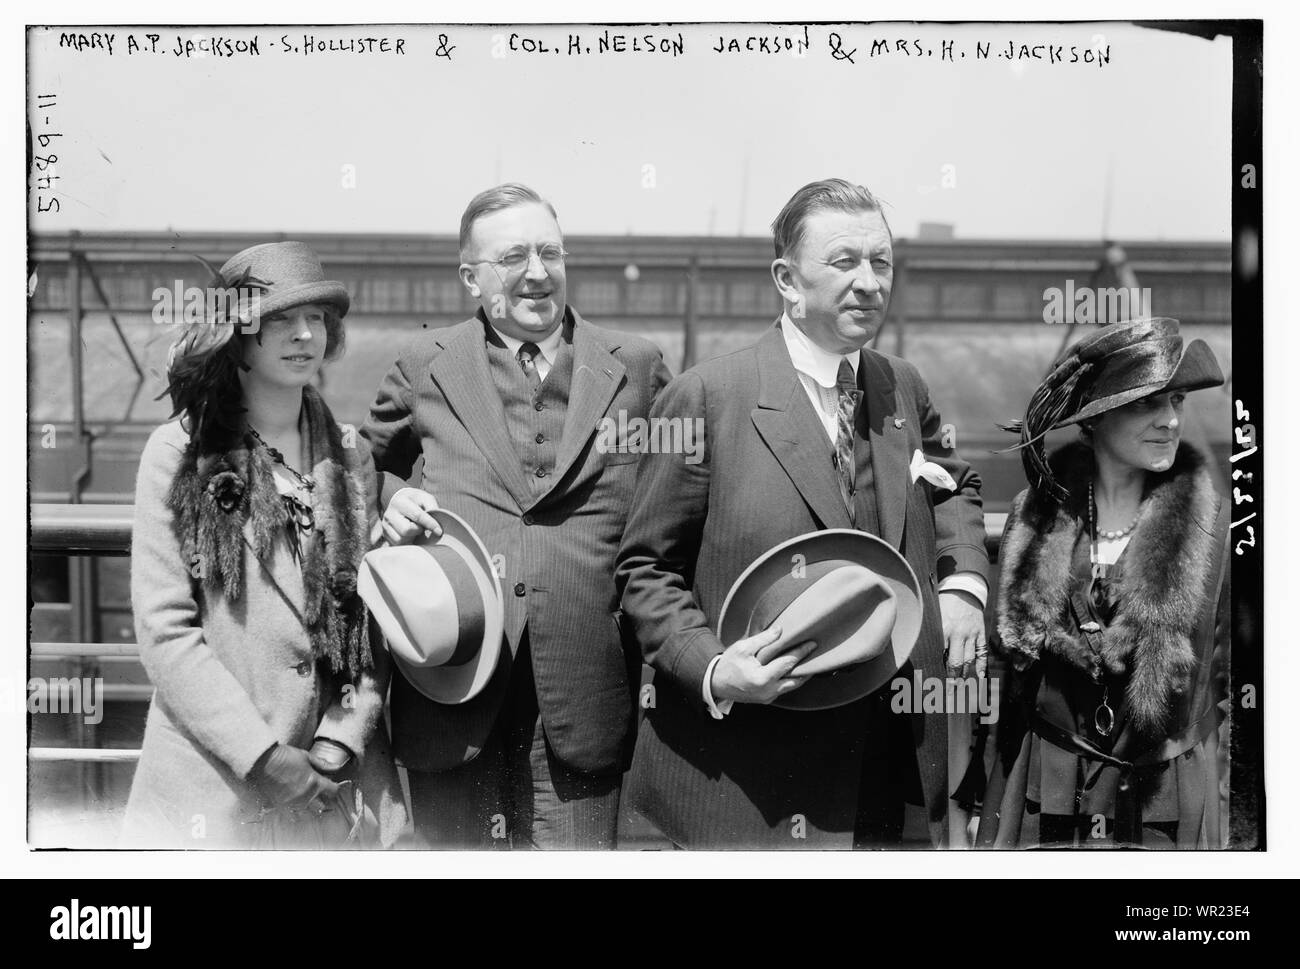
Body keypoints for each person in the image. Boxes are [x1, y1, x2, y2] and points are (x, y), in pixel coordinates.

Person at [615, 178, 990, 848]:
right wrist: (713, 667)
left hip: (886, 765)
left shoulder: (902, 384)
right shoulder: (707, 397)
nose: (870, 282)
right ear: (787, 280)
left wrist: (963, 582)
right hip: (750, 783)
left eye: (882, 263)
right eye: (845, 262)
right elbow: (645, 570)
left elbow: (951, 482)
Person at [363, 183, 671, 849]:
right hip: (453, 678)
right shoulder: (425, 364)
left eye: (550, 252)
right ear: (472, 278)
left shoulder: (637, 367)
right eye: (513, 258)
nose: (537, 272)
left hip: (586, 691)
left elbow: (688, 488)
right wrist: (389, 498)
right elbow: (362, 462)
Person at [122, 242, 407, 848]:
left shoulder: (350, 454)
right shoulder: (179, 455)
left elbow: (373, 619)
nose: (306, 334)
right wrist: (264, 757)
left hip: (337, 790)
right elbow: (165, 628)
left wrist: (337, 743)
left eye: (318, 319)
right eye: (280, 319)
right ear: (236, 334)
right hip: (214, 789)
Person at [979, 317, 1229, 849]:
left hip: (1163, 798)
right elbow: (1013, 681)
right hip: (1044, 790)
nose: (1169, 421)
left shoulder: (1216, 532)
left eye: (1178, 401)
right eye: (1146, 403)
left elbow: (1233, 691)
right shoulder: (1033, 517)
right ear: (1092, 421)